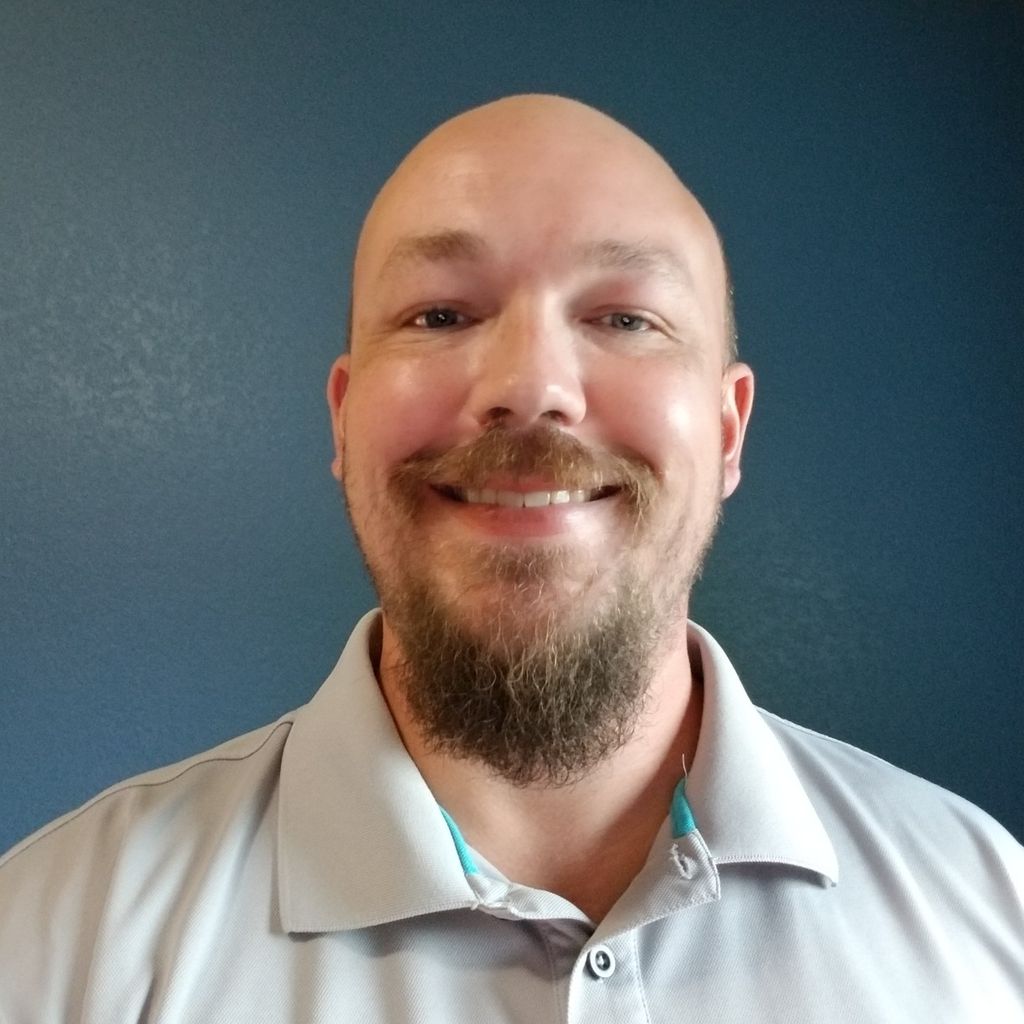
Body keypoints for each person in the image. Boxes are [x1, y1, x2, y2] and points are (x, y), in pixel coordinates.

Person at [0, 94, 1021, 1023]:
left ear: (726, 430)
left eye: (624, 318)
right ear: (345, 421)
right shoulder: (52, 946)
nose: (531, 386)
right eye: (440, 315)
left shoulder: (991, 920)